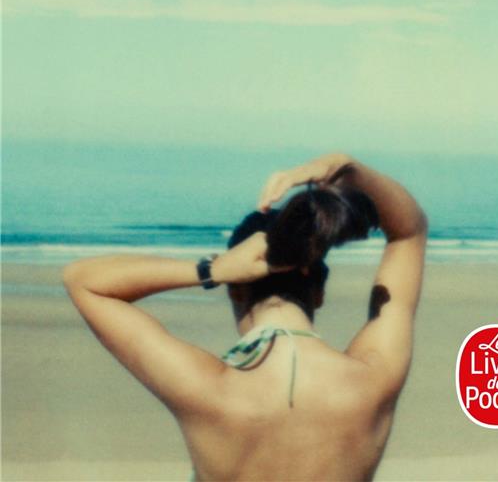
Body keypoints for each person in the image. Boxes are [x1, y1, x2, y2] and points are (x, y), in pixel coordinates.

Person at [63, 152, 427, 482]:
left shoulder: (207, 389)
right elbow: (409, 232)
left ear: (235, 289)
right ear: (319, 291)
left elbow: (84, 282)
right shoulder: (372, 377)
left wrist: (211, 270)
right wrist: (345, 168)